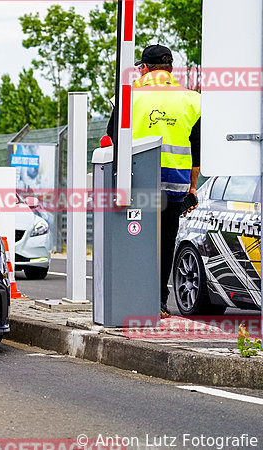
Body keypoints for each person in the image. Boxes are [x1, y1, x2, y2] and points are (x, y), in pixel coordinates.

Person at [106, 44, 201, 318]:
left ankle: (130, 299)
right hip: (175, 184)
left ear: (144, 68)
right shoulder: (192, 100)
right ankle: (159, 301)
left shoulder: (129, 96)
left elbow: (112, 139)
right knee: (166, 241)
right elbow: (196, 149)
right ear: (171, 69)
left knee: (132, 238)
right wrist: (192, 187)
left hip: (135, 182)